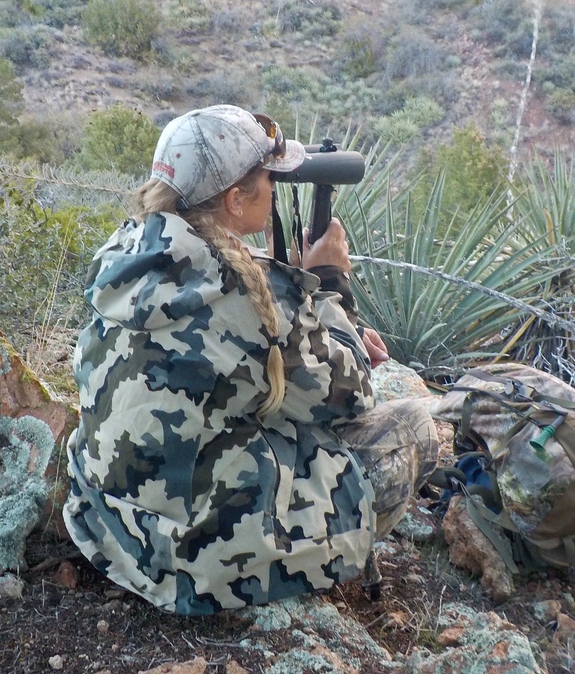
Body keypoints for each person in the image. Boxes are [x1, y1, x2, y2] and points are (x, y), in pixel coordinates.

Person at [63, 104, 439, 616]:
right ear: (237, 199)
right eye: (268, 178)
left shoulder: (125, 251)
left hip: (110, 527)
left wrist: (298, 312)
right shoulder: (246, 290)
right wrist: (328, 285)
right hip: (190, 565)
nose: (275, 188)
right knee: (414, 428)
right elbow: (350, 397)